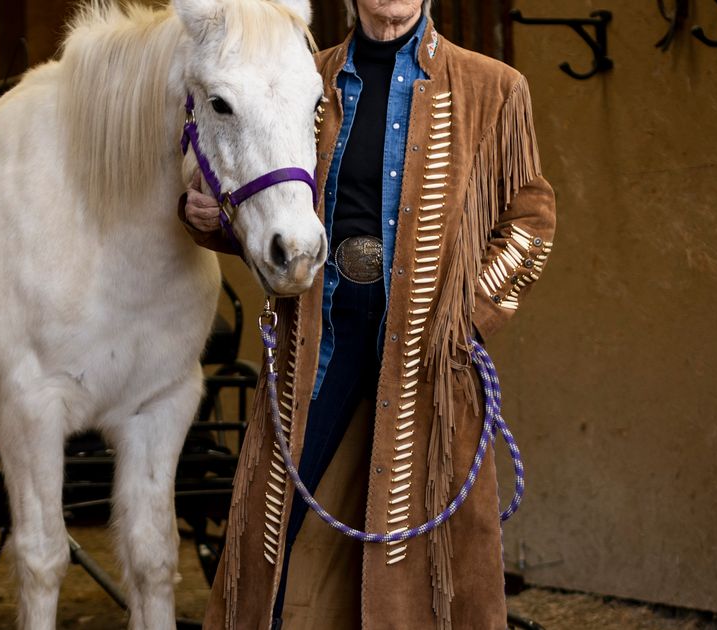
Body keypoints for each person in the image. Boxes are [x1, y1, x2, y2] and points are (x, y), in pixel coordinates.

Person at [181, 1, 557, 628]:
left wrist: (466, 317)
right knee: (276, 520)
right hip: (319, 333)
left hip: (424, 351)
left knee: (419, 540)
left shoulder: (494, 88)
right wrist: (219, 223)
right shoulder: (304, 78)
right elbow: (271, 193)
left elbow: (531, 221)